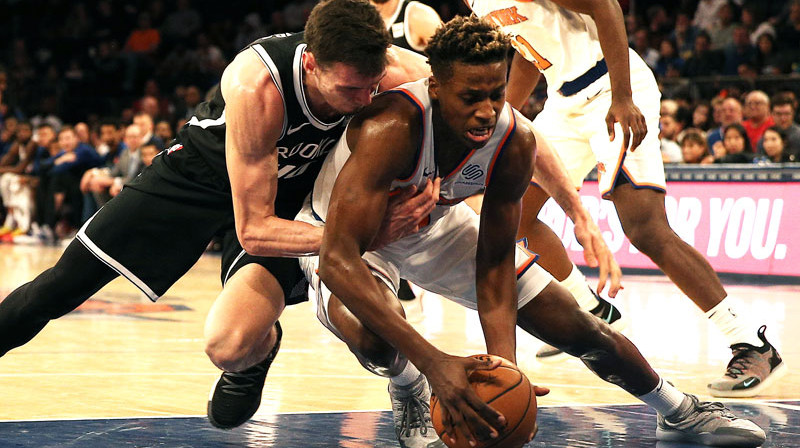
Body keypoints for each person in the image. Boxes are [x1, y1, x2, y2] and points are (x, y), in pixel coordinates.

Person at [299, 16, 766, 448]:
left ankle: (678, 411)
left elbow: (496, 258)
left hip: (432, 225)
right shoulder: (391, 128)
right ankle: (408, 388)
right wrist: (431, 363)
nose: (487, 111)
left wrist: (506, 368)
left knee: (576, 325)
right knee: (374, 337)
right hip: (348, 237)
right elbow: (338, 258)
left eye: (497, 95)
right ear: (436, 87)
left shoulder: (513, 141)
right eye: (471, 98)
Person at [0, 0, 433, 430]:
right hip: (198, 178)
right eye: (349, 90)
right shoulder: (257, 82)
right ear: (311, 65)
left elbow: (463, 87)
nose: (363, 101)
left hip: (287, 199)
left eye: (372, 87)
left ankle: (255, 354)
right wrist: (363, 235)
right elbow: (254, 231)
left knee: (228, 345)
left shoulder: (393, 69)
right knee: (56, 289)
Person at [467, 0, 785, 396]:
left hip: (609, 87)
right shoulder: (475, 3)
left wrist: (622, 95)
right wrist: (506, 116)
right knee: (511, 215)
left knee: (645, 228)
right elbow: (530, 47)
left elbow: (606, 7)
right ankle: (591, 309)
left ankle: (751, 344)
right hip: (563, 103)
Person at [369, 0, 443, 303]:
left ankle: (486, 262)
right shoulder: (358, 14)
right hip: (378, 129)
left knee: (449, 199)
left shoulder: (417, 15)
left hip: (422, 127)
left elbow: (453, 64)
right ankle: (386, 272)